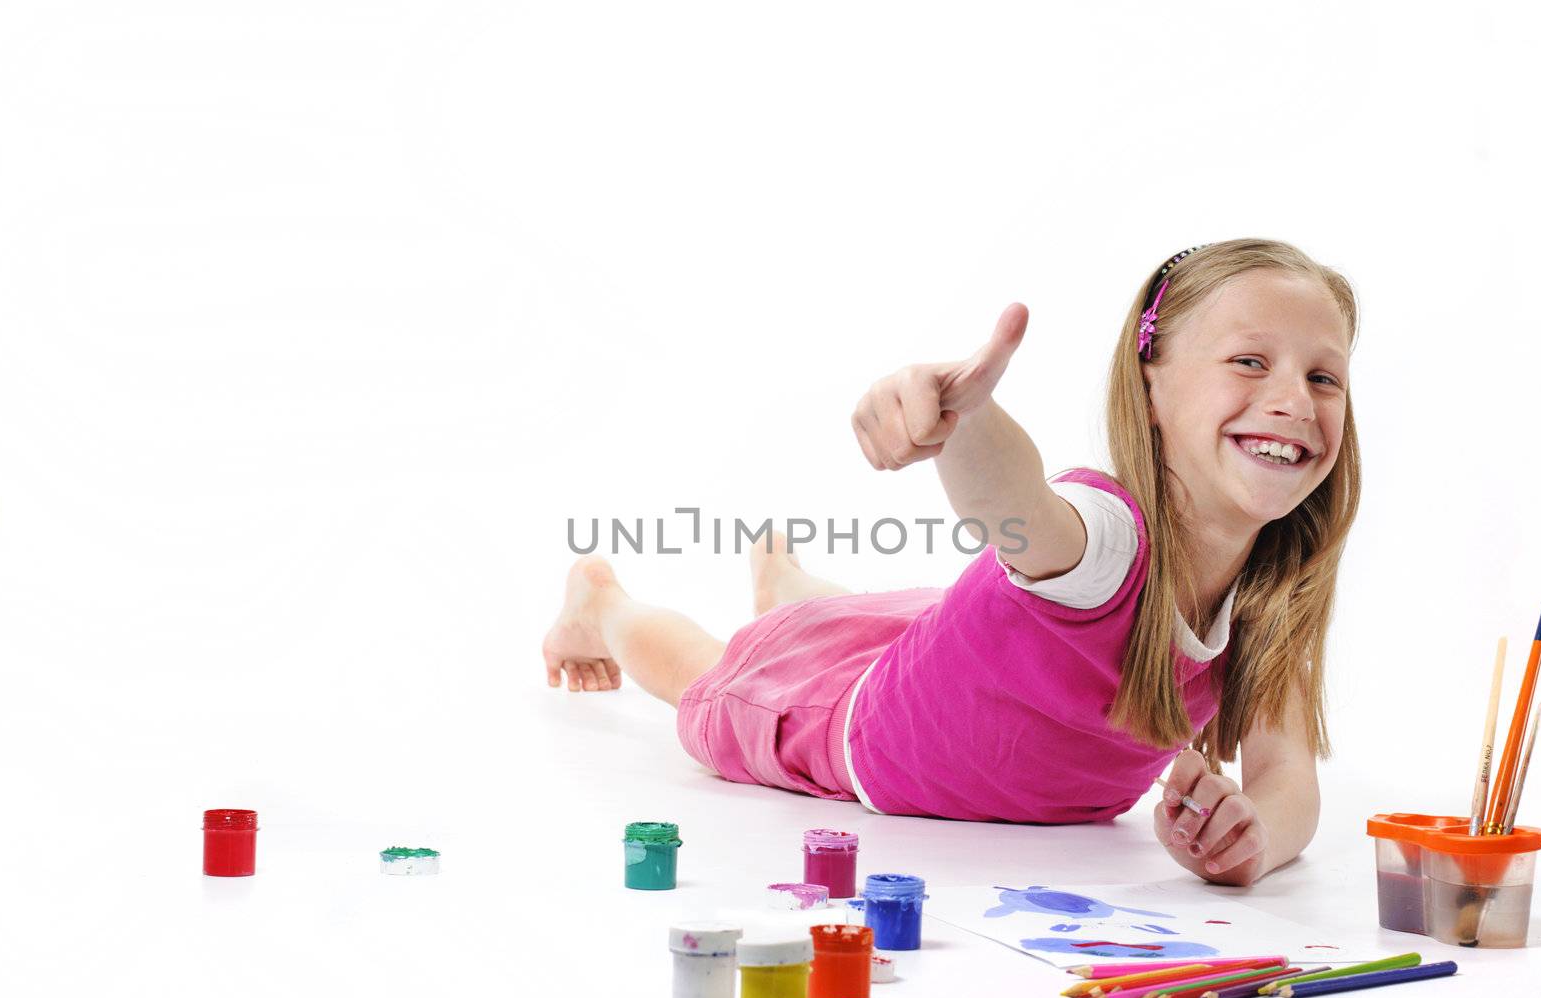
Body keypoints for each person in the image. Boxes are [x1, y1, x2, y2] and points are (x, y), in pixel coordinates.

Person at [541, 238, 1360, 886]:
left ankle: (784, 587)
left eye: (1324, 375)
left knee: (835, 626)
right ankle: (604, 604)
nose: (1295, 397)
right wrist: (963, 418)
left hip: (947, 658)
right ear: (1150, 388)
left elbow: (1286, 775)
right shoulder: (1104, 541)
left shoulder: (1269, 595)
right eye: (1250, 361)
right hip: (868, 726)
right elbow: (1016, 508)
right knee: (711, 679)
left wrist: (1252, 837)